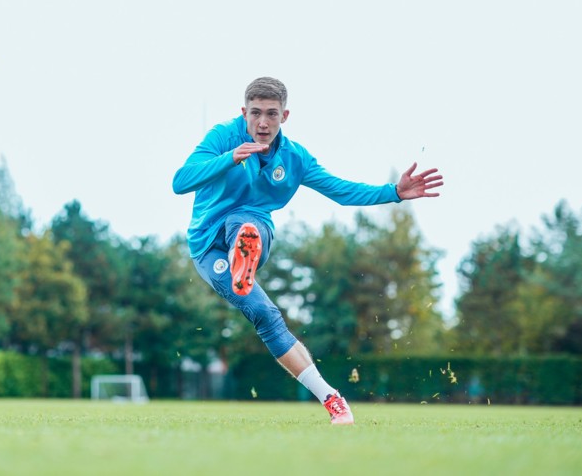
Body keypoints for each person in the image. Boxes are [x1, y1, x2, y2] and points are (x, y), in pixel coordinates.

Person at [171, 77, 443, 425]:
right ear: (244, 113)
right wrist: (229, 158)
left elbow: (340, 190)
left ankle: (245, 253)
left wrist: (394, 192)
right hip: (207, 247)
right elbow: (180, 181)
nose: (263, 123)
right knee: (265, 315)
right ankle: (332, 398)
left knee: (245, 221)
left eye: (272, 114)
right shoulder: (224, 136)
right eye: (255, 113)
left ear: (285, 115)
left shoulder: (295, 159)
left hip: (255, 229)